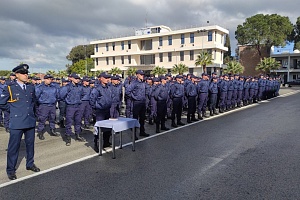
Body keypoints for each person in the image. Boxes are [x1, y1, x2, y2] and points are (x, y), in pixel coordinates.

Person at [0, 64, 40, 180]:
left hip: (30, 120)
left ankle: (30, 164)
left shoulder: (30, 87)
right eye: (23, 73)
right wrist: (13, 111)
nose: (25, 75)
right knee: (14, 147)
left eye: (26, 73)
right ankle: (11, 170)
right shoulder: (10, 87)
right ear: (16, 75)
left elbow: (33, 102)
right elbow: (2, 103)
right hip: (17, 122)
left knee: (30, 144)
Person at [59, 73, 85, 146]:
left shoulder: (80, 87)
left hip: (78, 106)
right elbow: (61, 96)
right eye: (76, 78)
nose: (77, 80)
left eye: (78, 78)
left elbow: (82, 94)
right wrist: (68, 100)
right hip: (70, 106)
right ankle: (68, 138)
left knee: (78, 121)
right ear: (71, 79)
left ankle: (78, 135)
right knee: (69, 123)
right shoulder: (67, 87)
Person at [90, 72, 113, 152]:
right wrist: (95, 109)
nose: (107, 79)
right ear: (101, 78)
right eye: (106, 78)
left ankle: (106, 142)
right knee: (98, 128)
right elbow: (92, 99)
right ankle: (97, 144)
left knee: (108, 127)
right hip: (100, 111)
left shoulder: (108, 87)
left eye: (108, 78)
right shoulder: (97, 88)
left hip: (107, 110)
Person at [35, 74, 60, 140]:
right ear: (44, 79)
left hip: (52, 105)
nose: (49, 80)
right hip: (44, 105)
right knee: (42, 119)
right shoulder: (40, 87)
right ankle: (40, 132)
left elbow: (57, 95)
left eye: (50, 79)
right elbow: (36, 97)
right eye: (48, 79)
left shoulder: (54, 87)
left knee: (52, 118)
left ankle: (52, 130)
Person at [127, 70, 149, 138]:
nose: (142, 76)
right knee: (135, 119)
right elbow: (128, 91)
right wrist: (134, 97)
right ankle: (134, 134)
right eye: (141, 74)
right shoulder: (134, 83)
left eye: (143, 75)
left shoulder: (143, 83)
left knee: (142, 118)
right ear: (137, 75)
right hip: (136, 102)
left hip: (142, 102)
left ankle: (142, 131)